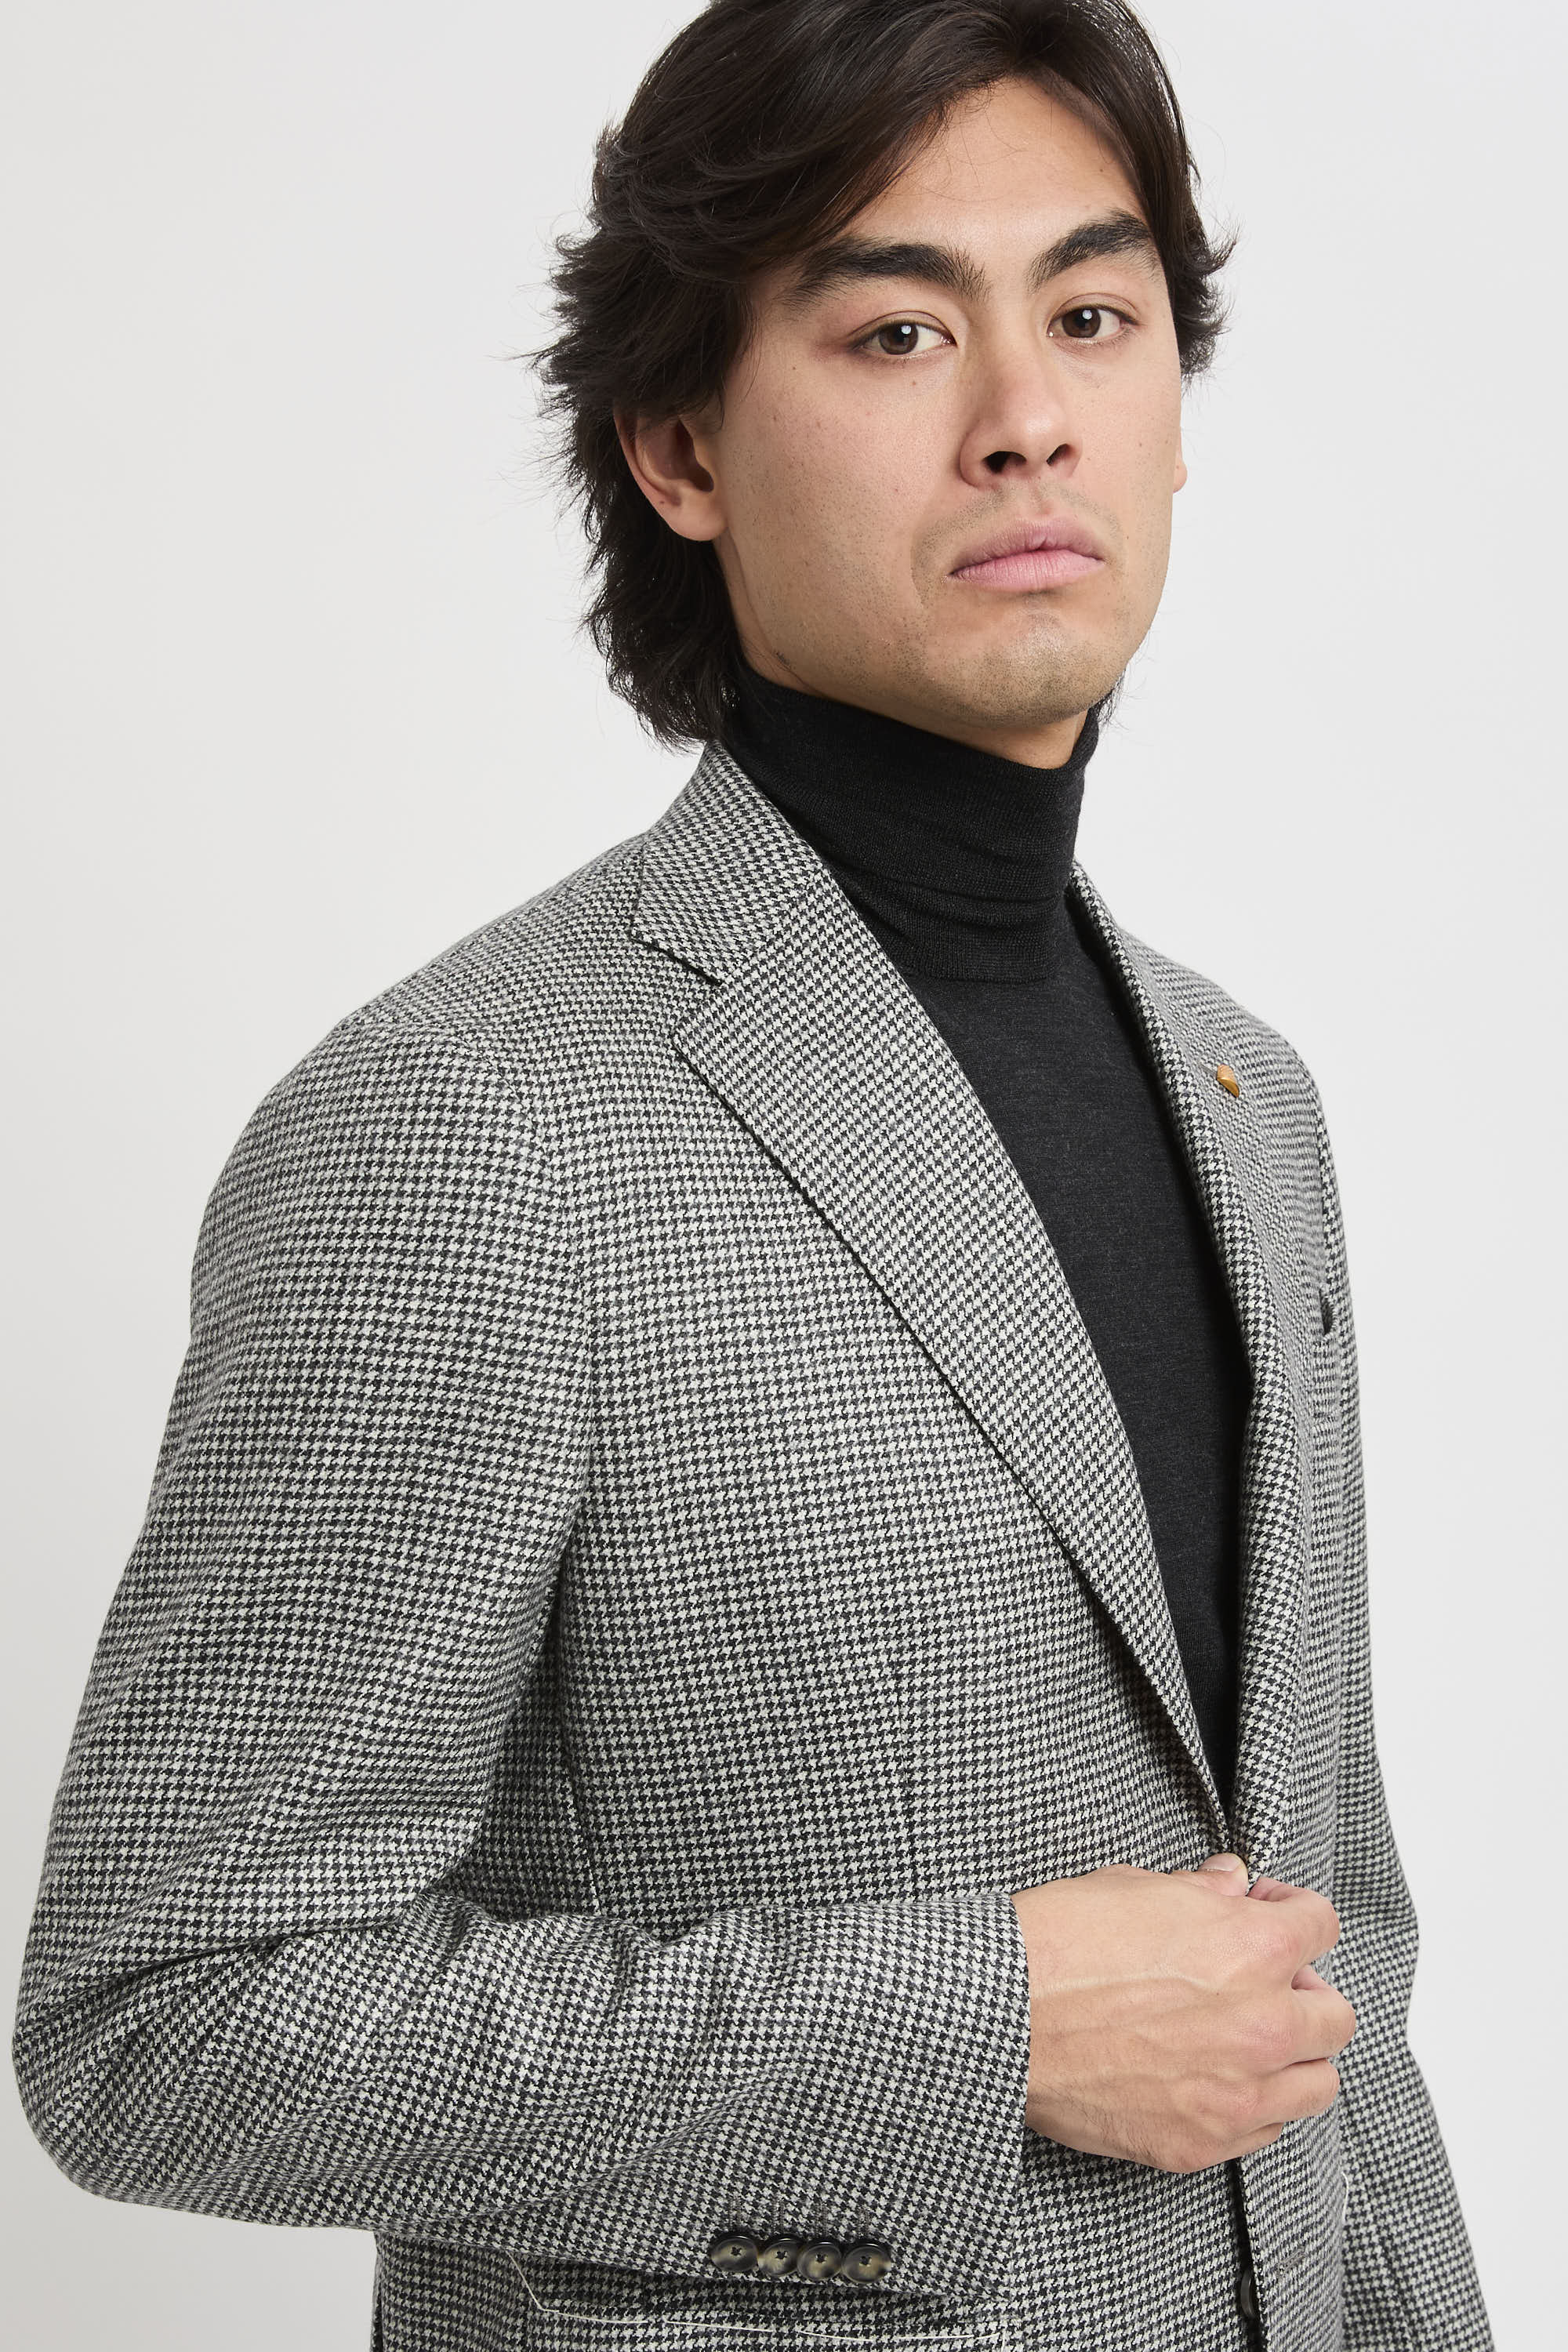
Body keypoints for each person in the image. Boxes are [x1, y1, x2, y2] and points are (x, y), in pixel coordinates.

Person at [13, 4, 1491, 2348]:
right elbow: (160, 2024)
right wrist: (977, 2034)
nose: (1025, 416)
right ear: (681, 447)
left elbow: (1331, 1975)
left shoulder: (1249, 1098)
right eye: (899, 330)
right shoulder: (467, 1125)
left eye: (1093, 316)